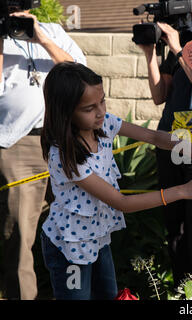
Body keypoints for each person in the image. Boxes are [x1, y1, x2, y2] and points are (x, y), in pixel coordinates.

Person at [39, 61, 192, 300]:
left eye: (102, 101)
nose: (101, 111)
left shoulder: (104, 123)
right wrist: (183, 191)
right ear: (65, 111)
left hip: (97, 238)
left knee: (108, 294)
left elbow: (154, 136)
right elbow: (121, 202)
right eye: (89, 108)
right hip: (69, 249)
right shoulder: (66, 155)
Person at [0, 9, 85, 300]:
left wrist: (41, 38)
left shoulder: (51, 30)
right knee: (19, 238)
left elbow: (81, 75)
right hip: (18, 144)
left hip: (62, 142)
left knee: (73, 230)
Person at [137, 0, 192, 287]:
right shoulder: (181, 41)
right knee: (173, 224)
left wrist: (178, 48)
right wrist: (150, 53)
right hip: (169, 141)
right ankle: (180, 288)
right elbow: (159, 94)